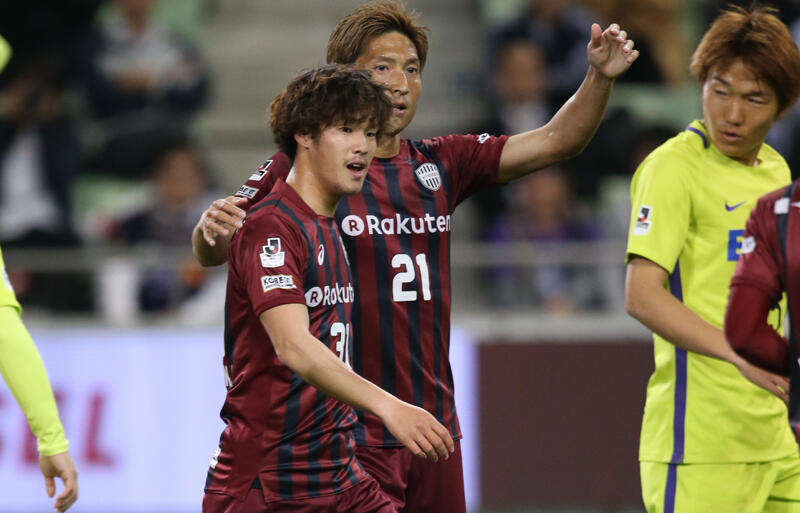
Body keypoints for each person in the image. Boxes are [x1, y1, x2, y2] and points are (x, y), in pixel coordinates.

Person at [194, 2, 637, 511]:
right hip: (352, 431)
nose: (400, 84)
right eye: (382, 67)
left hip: (432, 426)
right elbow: (226, 245)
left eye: (412, 69)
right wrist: (207, 233)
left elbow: (558, 140)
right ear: (346, 77)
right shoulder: (305, 165)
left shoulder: (443, 162)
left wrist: (599, 79)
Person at [203, 64, 454, 513]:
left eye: (370, 133)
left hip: (338, 476)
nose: (363, 146)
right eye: (346, 130)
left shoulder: (328, 226)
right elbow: (293, 346)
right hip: (268, 484)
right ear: (303, 134)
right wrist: (389, 406)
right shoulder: (272, 228)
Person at [623, 6, 800, 512]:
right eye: (720, 91)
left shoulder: (776, 170)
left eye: (754, 98)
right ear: (700, 83)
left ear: (781, 107)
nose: (733, 114)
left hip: (778, 438)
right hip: (700, 446)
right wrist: (740, 355)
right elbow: (641, 296)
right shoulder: (672, 168)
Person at [725, 178, 800, 437]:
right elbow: (641, 296)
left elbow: (745, 334)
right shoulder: (672, 168)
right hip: (715, 419)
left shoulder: (780, 204)